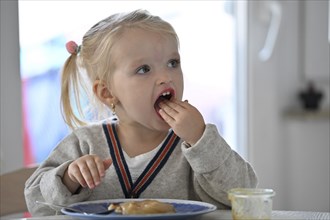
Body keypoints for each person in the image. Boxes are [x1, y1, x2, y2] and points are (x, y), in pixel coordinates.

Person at [24, 9, 258, 216]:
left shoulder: (195, 144)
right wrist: (69, 179)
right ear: (107, 93)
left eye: (173, 63)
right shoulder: (84, 143)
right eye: (144, 69)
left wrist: (200, 139)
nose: (166, 77)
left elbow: (246, 194)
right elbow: (37, 203)